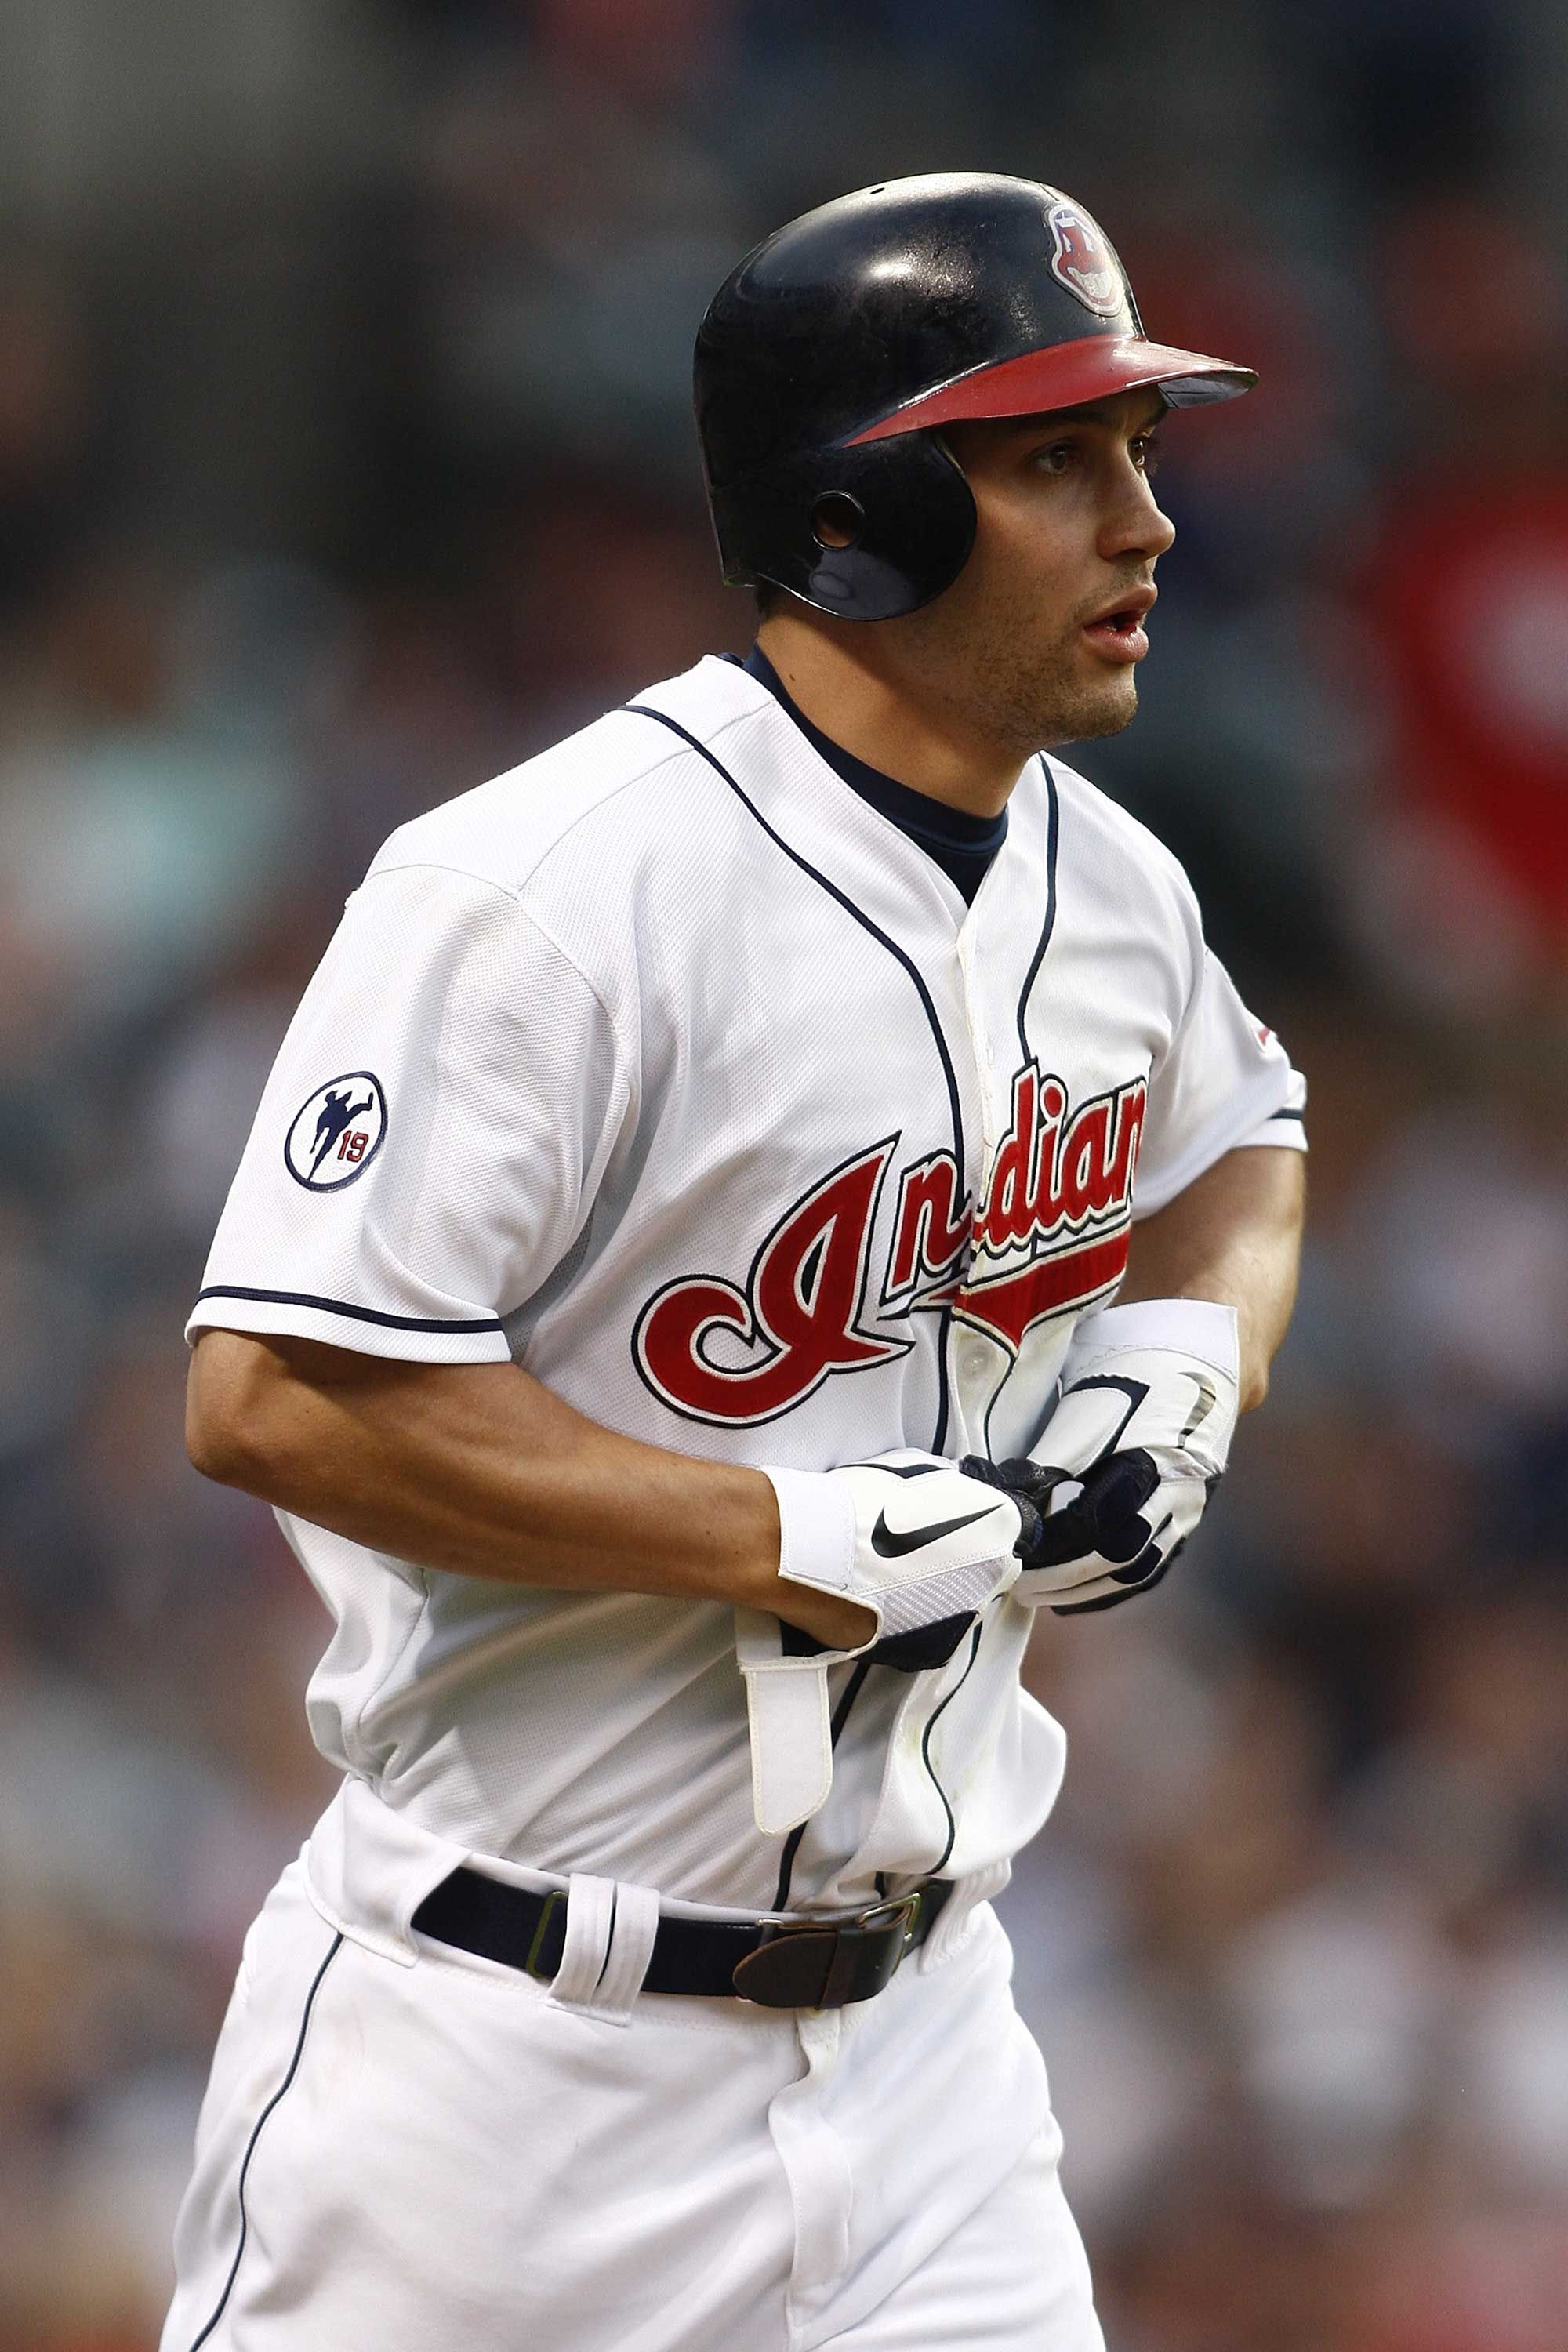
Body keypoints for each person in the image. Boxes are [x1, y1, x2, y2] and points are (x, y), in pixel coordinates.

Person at [162, 174, 1306, 2352]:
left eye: (1137, 455)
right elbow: (270, 1395)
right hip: (508, 2069)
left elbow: (1251, 1145)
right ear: (862, 515)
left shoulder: (1115, 884)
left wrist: (1187, 1354)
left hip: (930, 2052)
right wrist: (776, 1531)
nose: (1147, 525)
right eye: (1059, 461)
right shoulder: (553, 890)